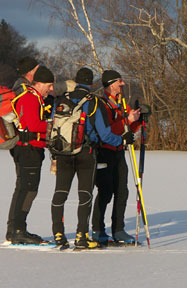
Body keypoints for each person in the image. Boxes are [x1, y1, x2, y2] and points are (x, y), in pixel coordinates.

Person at [51, 67, 134, 249]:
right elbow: (105, 135)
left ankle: (58, 234)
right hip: (85, 153)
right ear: (91, 83)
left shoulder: (61, 101)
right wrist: (122, 139)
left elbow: (52, 127)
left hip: (63, 152)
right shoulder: (94, 102)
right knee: (85, 195)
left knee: (60, 193)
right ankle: (82, 236)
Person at [92, 70, 141, 245]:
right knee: (105, 191)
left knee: (122, 191)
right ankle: (98, 230)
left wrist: (138, 119)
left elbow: (128, 129)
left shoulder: (120, 102)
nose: (122, 84)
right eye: (119, 81)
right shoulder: (102, 104)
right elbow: (108, 130)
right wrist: (127, 119)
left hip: (119, 151)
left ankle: (118, 229)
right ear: (111, 83)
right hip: (104, 151)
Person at [7, 65, 54, 245]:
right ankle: (19, 229)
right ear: (39, 83)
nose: (51, 89)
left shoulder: (33, 98)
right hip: (28, 150)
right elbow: (33, 125)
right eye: (49, 85)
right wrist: (53, 125)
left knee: (23, 189)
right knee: (28, 190)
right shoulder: (29, 98)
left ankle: (14, 229)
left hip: (28, 148)